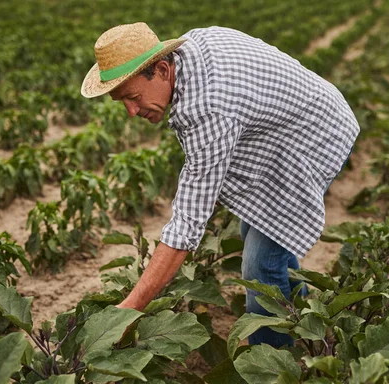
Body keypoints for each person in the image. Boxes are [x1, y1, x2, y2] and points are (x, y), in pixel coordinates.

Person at [81, 22, 359, 347]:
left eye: (133, 97)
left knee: (260, 261)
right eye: (121, 102)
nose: (131, 111)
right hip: (285, 126)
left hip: (316, 133)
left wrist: (130, 310)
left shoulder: (208, 108)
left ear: (161, 68)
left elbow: (186, 225)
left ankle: (273, 363)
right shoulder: (191, 50)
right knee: (258, 232)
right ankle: (308, 327)